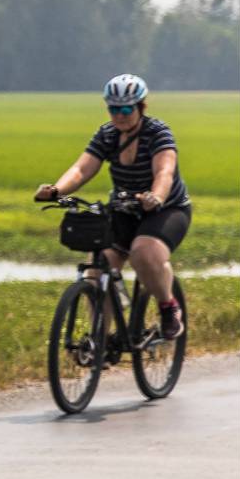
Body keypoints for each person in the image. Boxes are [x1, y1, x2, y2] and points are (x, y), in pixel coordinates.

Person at [36, 74, 191, 339]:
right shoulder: (107, 135)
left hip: (166, 209)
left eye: (127, 108)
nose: (120, 115)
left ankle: (168, 307)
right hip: (124, 209)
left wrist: (156, 196)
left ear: (141, 107)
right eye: (114, 109)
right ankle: (100, 340)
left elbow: (164, 171)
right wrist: (57, 190)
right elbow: (82, 168)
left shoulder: (157, 132)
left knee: (144, 253)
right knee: (97, 269)